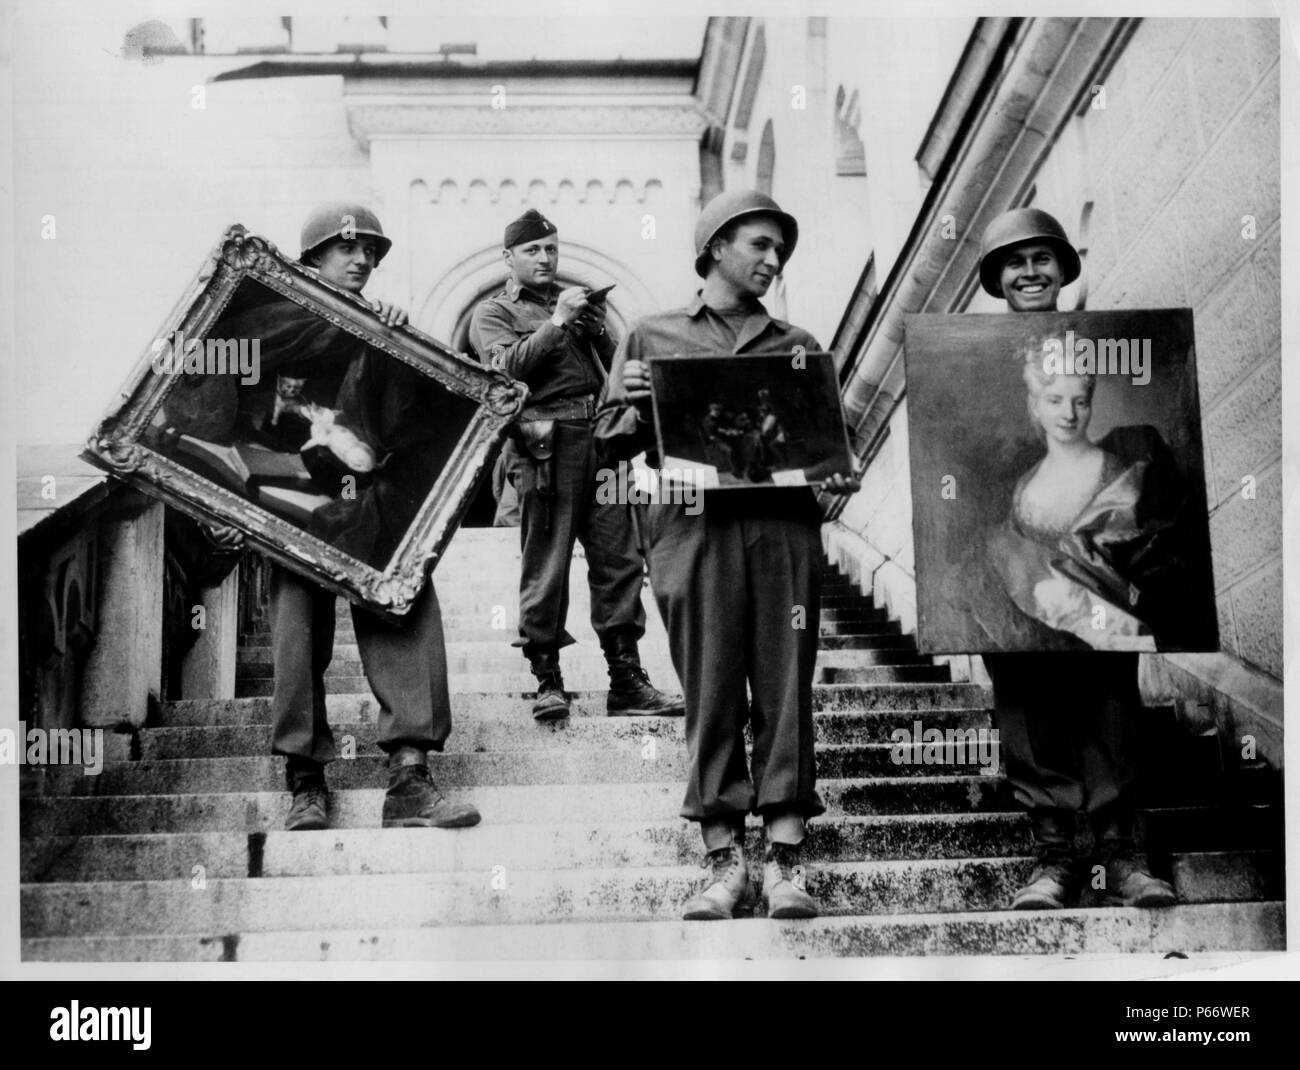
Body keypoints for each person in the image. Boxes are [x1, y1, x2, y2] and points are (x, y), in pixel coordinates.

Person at [600, 189, 858, 920]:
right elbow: (608, 443)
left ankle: (783, 862)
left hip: (782, 531)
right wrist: (627, 399)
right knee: (710, 690)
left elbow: (831, 449)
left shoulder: (798, 346)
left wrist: (839, 473)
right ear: (715, 247)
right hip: (691, 529)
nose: (773, 261)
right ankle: (723, 863)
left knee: (785, 687)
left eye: (780, 251)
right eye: (759, 246)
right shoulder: (652, 335)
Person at [222, 203, 481, 833]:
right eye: (348, 248)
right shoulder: (258, 328)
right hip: (287, 499)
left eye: (372, 251)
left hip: (371, 500)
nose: (363, 259)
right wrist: (222, 501)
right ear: (311, 257)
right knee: (293, 629)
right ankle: (305, 781)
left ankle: (411, 778)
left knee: (402, 601)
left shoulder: (381, 329)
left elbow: (407, 425)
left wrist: (393, 343)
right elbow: (215, 415)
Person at [975, 207, 1176, 909]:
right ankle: (1054, 859)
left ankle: (1124, 857)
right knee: (1028, 715)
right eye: (1014, 262)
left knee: (1111, 707)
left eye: (1042, 259)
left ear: (1064, 268)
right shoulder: (970, 360)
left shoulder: (1103, 352)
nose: (1029, 272)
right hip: (1018, 574)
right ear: (996, 278)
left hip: (1098, 586)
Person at [469, 208, 683, 721]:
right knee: (547, 562)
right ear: (509, 258)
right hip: (546, 445)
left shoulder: (575, 309)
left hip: (603, 444)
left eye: (550, 249)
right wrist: (558, 322)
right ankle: (547, 678)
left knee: (620, 560)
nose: (545, 258)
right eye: (532, 250)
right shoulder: (493, 313)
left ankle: (627, 681)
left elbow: (614, 374)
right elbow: (502, 373)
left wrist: (598, 330)